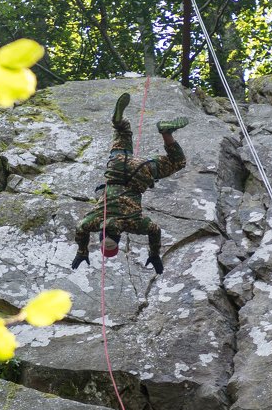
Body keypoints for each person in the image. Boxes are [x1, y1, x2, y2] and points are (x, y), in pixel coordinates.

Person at [72, 93, 189, 275]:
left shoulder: (134, 224)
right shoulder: (94, 221)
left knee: (178, 162)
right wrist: (82, 251)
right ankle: (118, 121)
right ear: (102, 236)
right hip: (117, 167)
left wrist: (154, 254)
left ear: (118, 238)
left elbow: (155, 230)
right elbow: (80, 230)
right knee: (123, 132)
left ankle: (166, 133)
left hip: (141, 173)